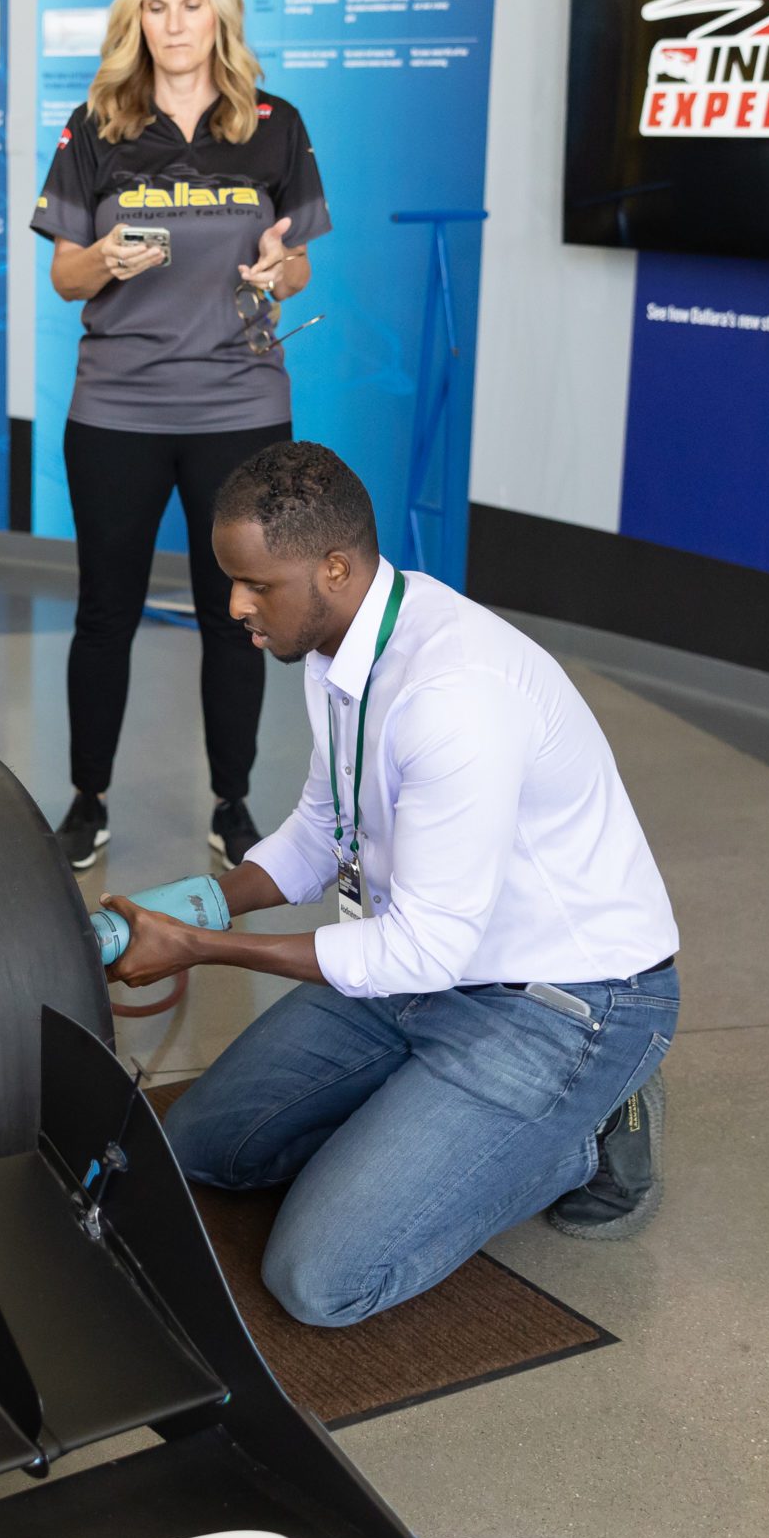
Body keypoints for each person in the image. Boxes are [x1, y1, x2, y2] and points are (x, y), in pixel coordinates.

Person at [102, 443, 680, 1328]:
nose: (235, 604)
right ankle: (428, 1118)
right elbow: (323, 829)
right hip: (422, 969)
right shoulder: (340, 648)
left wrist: (199, 948)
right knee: (202, 1147)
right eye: (231, 580)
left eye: (256, 584)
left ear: (334, 568)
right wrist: (195, 903)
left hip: (562, 1003)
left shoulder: (454, 695)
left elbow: (424, 947)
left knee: (319, 1278)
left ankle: (589, 1127)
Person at [32, 0, 330, 875]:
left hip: (240, 408)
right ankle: (87, 798)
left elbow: (299, 264)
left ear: (219, 13)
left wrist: (281, 266)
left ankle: (232, 804)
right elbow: (65, 278)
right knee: (104, 613)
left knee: (235, 615)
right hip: (116, 410)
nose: (174, 24)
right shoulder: (96, 125)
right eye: (156, 7)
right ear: (137, 18)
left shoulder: (273, 124)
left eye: (191, 5)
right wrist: (101, 259)